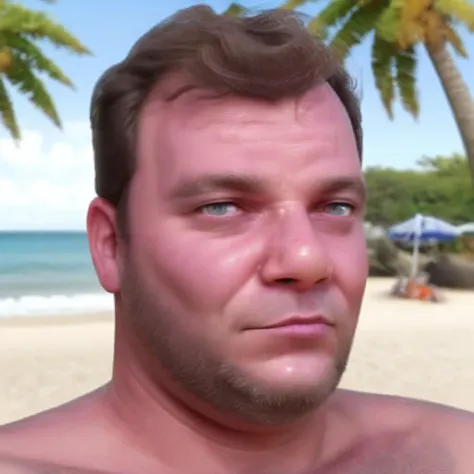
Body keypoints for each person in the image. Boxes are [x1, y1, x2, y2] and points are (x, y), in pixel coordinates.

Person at [0, 5, 473, 473]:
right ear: (111, 247)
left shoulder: (455, 452)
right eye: (222, 207)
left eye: (335, 207)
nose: (307, 258)